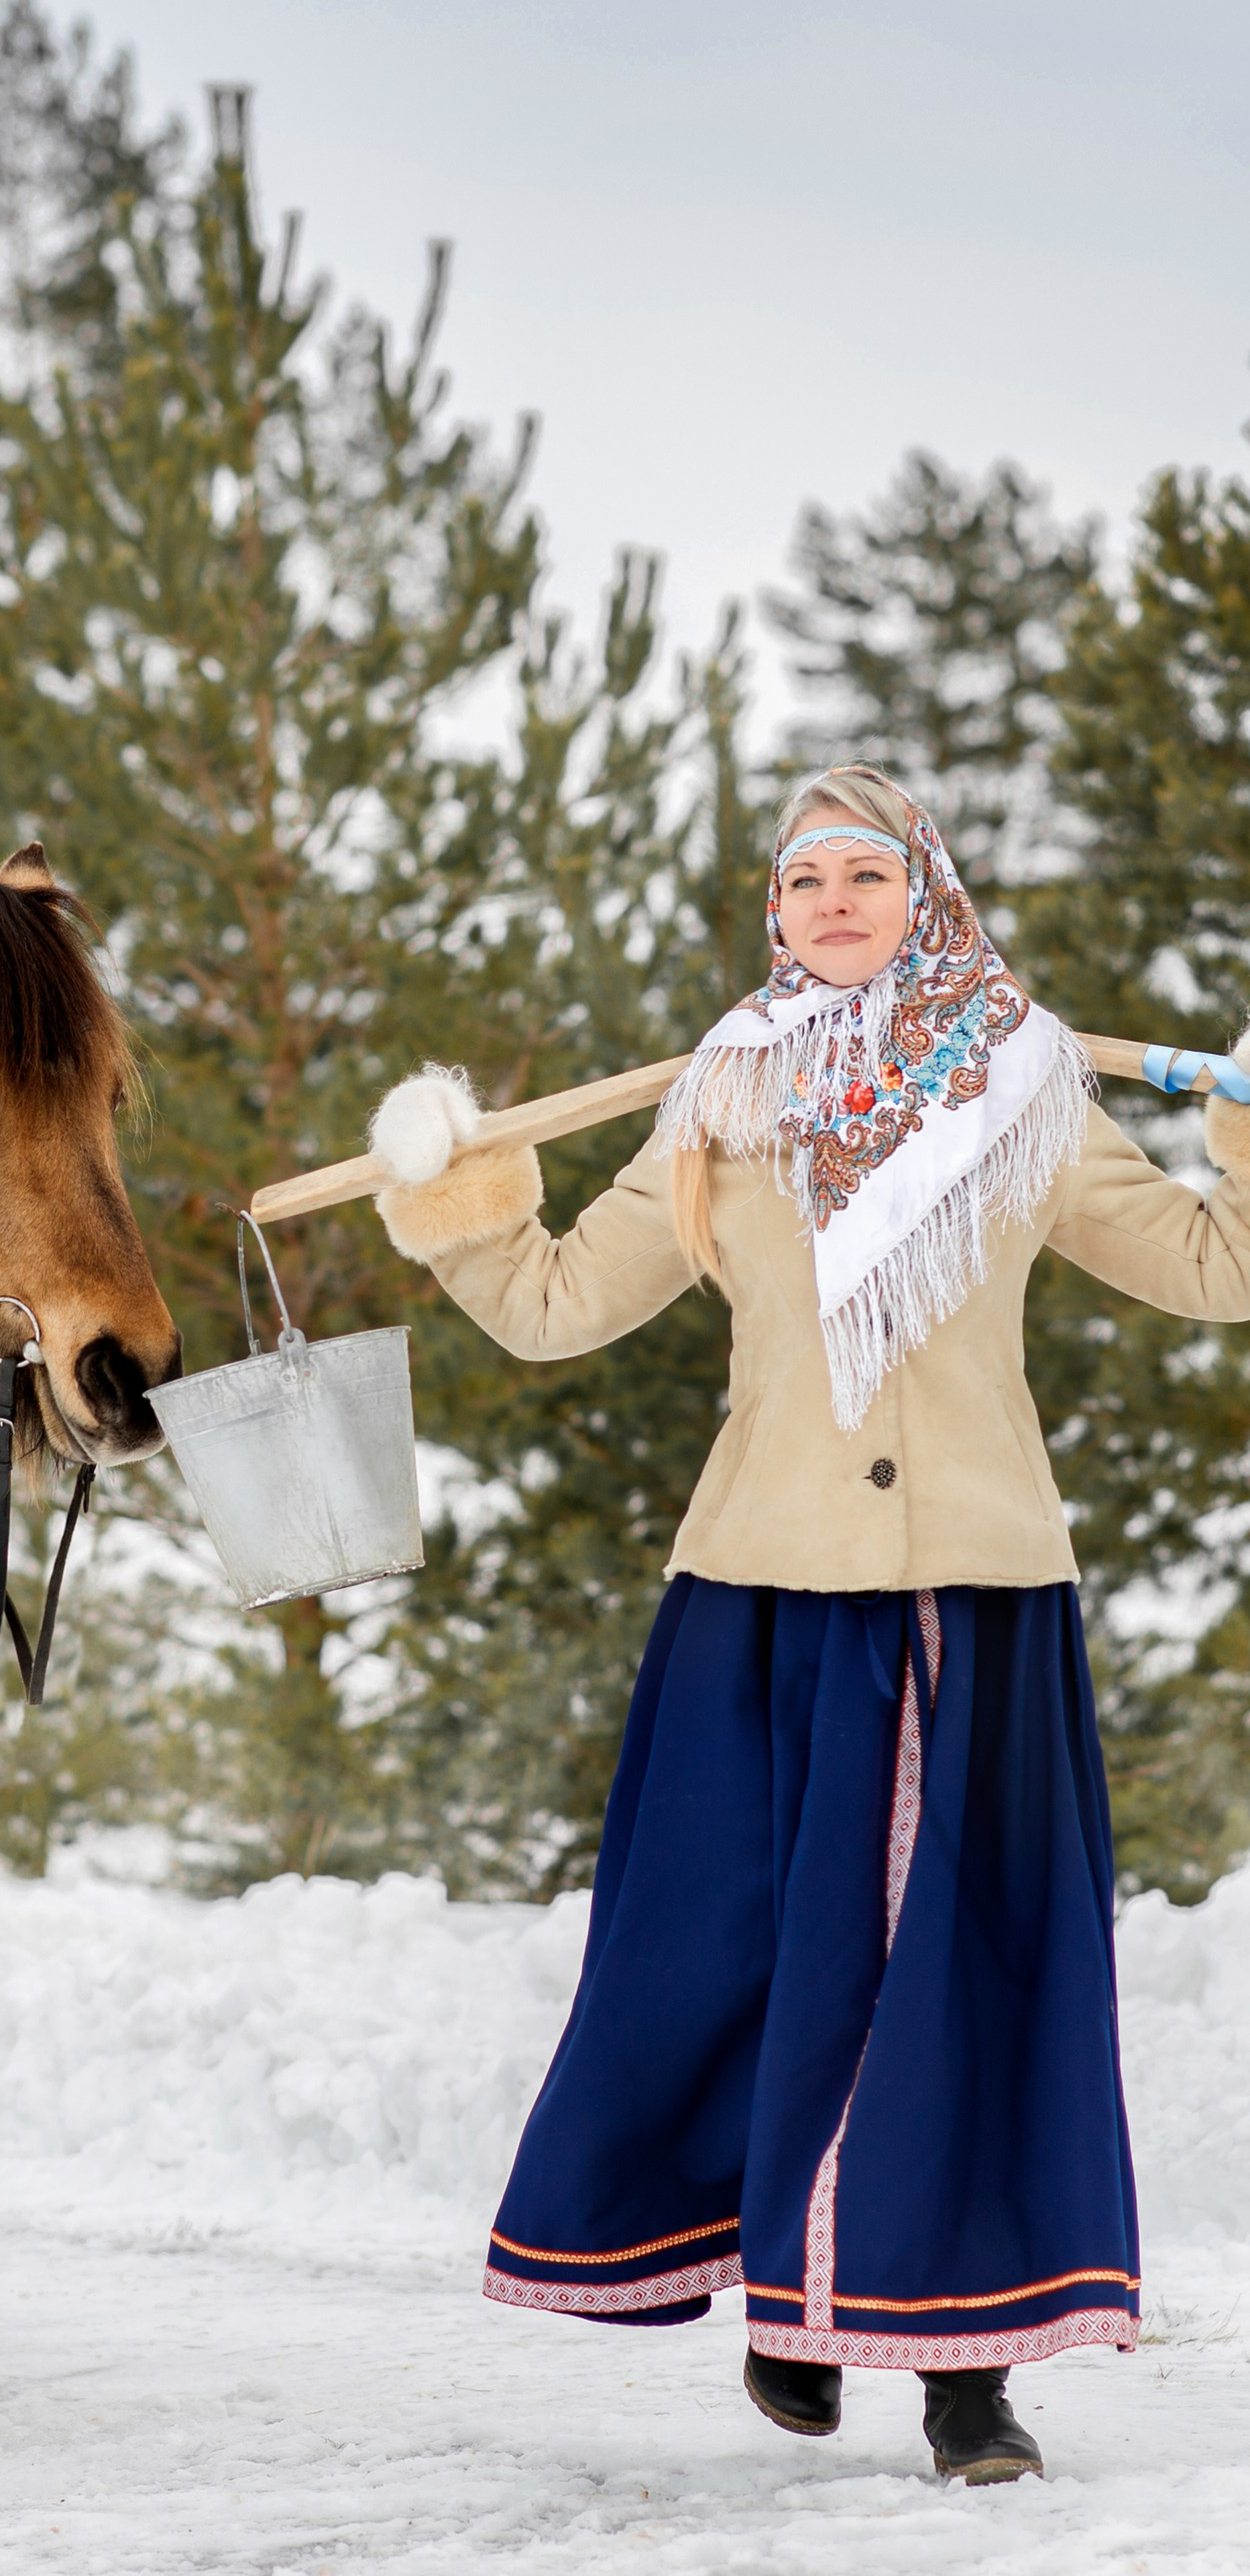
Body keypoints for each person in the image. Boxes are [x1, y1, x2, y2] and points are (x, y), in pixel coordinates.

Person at [365, 763, 1250, 2485]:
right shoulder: (719, 1098)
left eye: (866, 872)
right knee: (745, 1961)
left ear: (922, 894)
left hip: (974, 1602)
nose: (832, 901)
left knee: (960, 1987)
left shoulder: (1023, 1087)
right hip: (759, 1605)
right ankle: (790, 2294)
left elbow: (1214, 1270)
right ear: (771, 916)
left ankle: (962, 2378)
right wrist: (457, 1195)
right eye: (802, 882)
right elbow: (557, 1307)